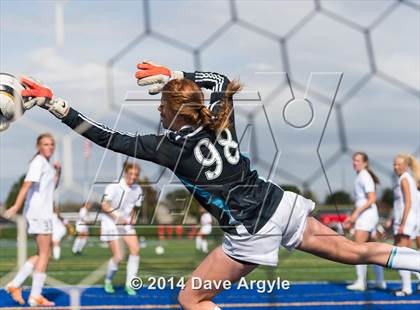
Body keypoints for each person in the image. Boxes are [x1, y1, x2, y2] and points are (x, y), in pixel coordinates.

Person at [18, 64, 420, 310]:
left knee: (191, 300)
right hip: (279, 204)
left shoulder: (168, 149)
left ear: (175, 114)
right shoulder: (219, 117)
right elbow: (221, 79)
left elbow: (107, 137)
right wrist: (176, 75)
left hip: (251, 229)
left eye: (161, 107)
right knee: (355, 252)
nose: (158, 111)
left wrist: (58, 106)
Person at [4, 133, 60, 307]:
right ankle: (35, 296)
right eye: (45, 144)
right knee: (45, 254)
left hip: (43, 212)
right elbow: (26, 185)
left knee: (42, 253)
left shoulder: (46, 165)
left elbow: (52, 187)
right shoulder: (38, 162)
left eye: (51, 144)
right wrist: (15, 206)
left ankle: (14, 284)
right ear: (38, 146)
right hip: (38, 213)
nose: (49, 147)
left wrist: (59, 171)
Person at [344, 152, 386, 291]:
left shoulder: (364, 176)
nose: (355, 163)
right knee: (373, 250)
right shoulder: (361, 176)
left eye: (358, 160)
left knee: (358, 249)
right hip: (367, 215)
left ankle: (361, 282)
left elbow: (372, 198)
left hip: (366, 215)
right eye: (354, 160)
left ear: (365, 162)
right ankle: (380, 281)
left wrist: (355, 214)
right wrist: (353, 216)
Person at [100, 162, 143, 296]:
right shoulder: (114, 186)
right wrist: (118, 218)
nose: (133, 177)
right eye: (130, 173)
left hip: (125, 224)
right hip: (110, 223)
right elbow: (104, 206)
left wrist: (133, 217)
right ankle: (108, 280)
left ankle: (129, 285)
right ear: (125, 173)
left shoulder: (138, 189)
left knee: (135, 250)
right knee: (118, 256)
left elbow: (134, 208)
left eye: (136, 175)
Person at [387, 154, 420, 296]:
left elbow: (408, 203)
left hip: (406, 221)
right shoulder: (406, 178)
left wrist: (402, 223)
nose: (396, 167)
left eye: (399, 164)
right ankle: (408, 286)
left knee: (401, 256)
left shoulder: (405, 179)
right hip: (406, 220)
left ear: (406, 166)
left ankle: (406, 288)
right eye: (394, 164)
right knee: (406, 255)